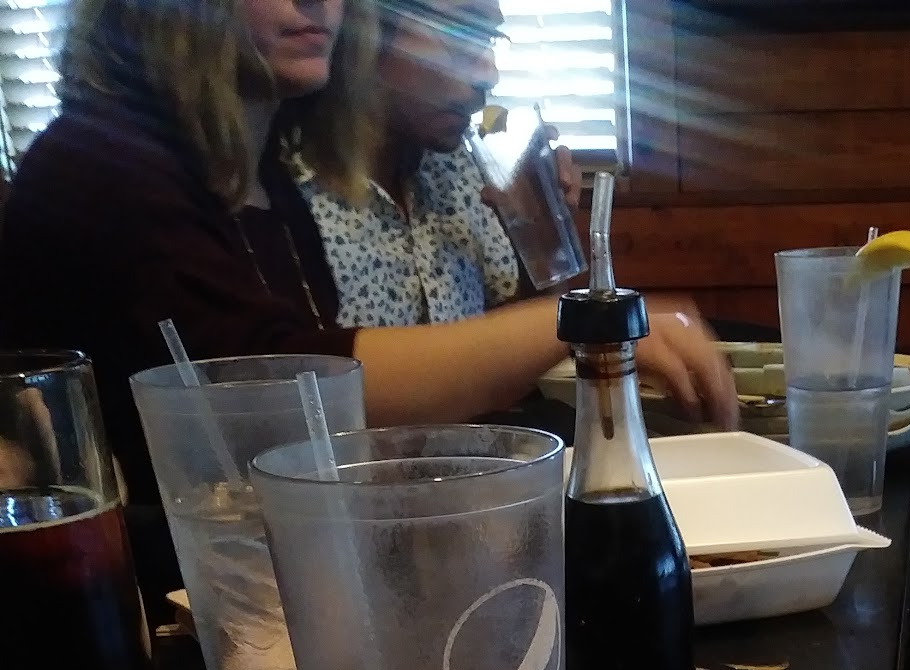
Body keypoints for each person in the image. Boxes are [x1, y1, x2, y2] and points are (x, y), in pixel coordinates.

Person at [0, 0, 735, 531]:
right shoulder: (101, 165)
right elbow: (279, 393)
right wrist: (579, 320)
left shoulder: (256, 174)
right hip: (134, 593)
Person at [291, 0, 574, 327]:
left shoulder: (461, 169)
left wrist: (542, 241)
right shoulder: (282, 189)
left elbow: (512, 335)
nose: (490, 75)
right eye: (461, 33)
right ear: (369, 28)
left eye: (490, 38)